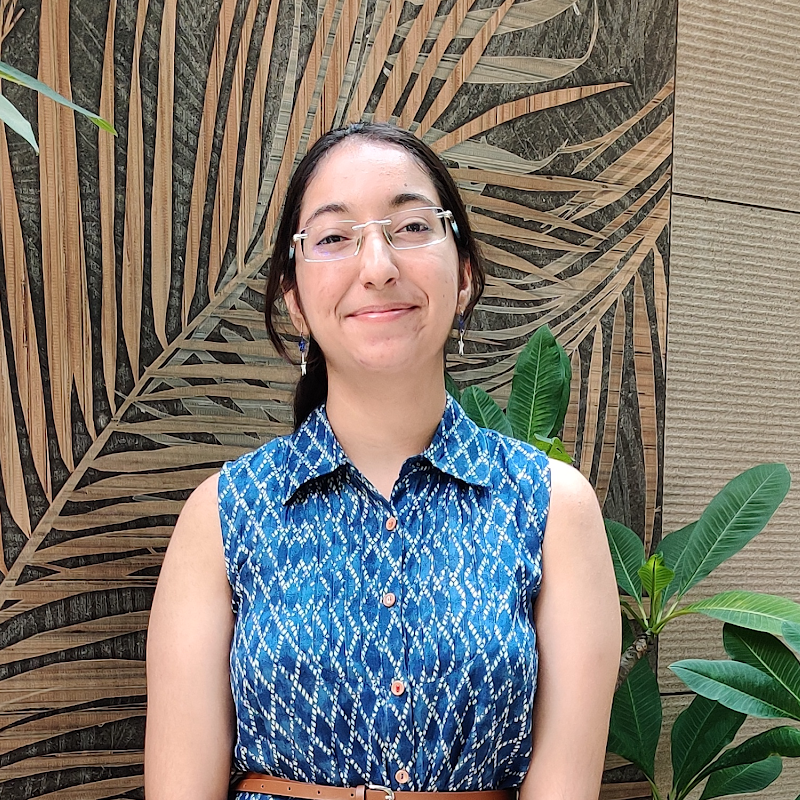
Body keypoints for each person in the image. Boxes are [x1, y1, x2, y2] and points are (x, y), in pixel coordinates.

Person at [144, 122, 621, 800]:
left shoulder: (551, 509)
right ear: (294, 299)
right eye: (333, 238)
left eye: (412, 227)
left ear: (464, 276)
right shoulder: (223, 515)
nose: (377, 266)